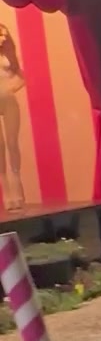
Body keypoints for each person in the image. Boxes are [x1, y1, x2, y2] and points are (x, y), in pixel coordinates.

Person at [0, 23, 27, 211]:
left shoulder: (7, 58)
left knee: (12, 143)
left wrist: (10, 89)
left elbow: (21, 78)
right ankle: (7, 191)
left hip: (8, 101)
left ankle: (17, 184)